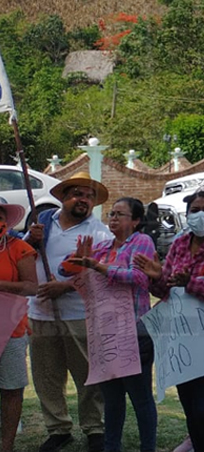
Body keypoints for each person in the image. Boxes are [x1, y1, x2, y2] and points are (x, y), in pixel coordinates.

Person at [135, 184, 204, 452]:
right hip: (183, 338)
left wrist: (192, 283)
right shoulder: (179, 244)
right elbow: (167, 291)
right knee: (193, 412)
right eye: (194, 210)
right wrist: (156, 278)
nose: (200, 215)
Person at [23, 171, 112, 452]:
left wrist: (65, 287)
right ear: (63, 198)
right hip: (40, 312)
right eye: (77, 194)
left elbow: (100, 274)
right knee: (47, 375)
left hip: (80, 313)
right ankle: (58, 428)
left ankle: (94, 428)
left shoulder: (99, 232)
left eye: (88, 196)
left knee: (88, 375)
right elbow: (22, 255)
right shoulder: (42, 224)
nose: (83, 200)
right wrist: (30, 240)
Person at [60, 197, 158, 452]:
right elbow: (65, 271)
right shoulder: (102, 247)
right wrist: (77, 260)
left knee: (140, 398)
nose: (113, 218)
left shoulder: (142, 242)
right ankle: (111, 447)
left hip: (134, 332)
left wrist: (99, 268)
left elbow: (139, 277)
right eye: (111, 214)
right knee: (112, 399)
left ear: (135, 221)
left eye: (120, 214)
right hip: (105, 333)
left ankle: (148, 447)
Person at [0, 198, 38, 452]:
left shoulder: (19, 248)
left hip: (11, 329)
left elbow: (31, 287)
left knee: (11, 388)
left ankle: (7, 444)